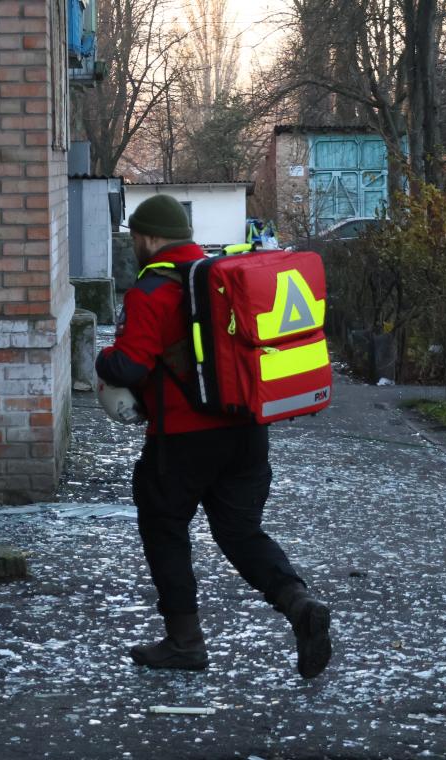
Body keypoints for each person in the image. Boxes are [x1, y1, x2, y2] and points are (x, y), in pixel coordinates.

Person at [96, 195, 332, 679]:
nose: (137, 244)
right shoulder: (220, 279)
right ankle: (298, 602)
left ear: (151, 239)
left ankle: (185, 641)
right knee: (240, 532)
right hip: (247, 431)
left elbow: (129, 365)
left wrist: (100, 360)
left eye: (138, 237)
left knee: (164, 529)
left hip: (183, 439)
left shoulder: (151, 292)